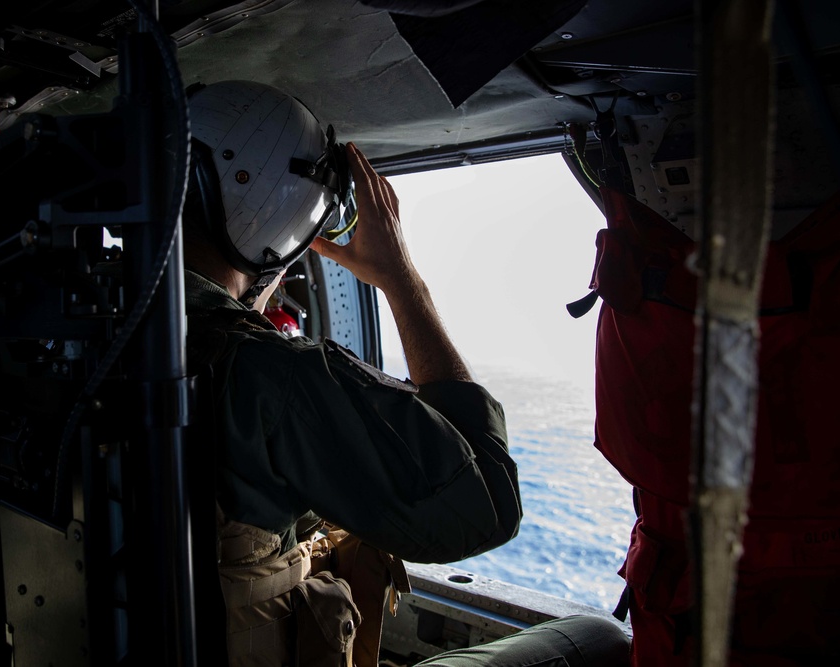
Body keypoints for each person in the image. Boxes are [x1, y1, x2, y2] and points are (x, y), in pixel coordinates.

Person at [182, 79, 630, 666]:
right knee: (601, 641)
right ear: (280, 213)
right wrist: (402, 281)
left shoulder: (94, 329)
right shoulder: (269, 376)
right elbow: (487, 505)